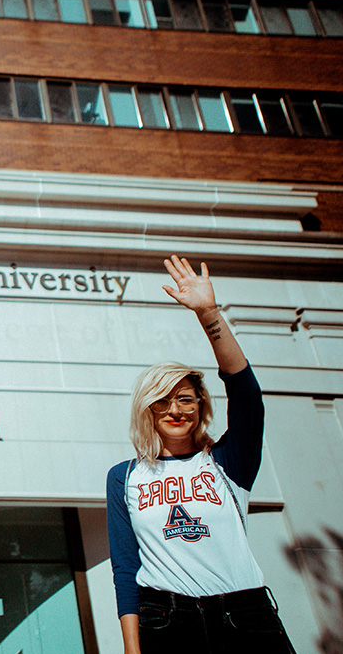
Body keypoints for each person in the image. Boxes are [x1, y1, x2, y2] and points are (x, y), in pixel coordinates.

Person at [106, 255, 294, 654]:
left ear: (201, 406)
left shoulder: (229, 463)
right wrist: (131, 648)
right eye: (163, 401)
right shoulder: (124, 477)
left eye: (186, 399)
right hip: (167, 619)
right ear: (148, 410)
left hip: (245, 615)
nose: (175, 410)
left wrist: (208, 313)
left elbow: (247, 396)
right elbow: (125, 568)